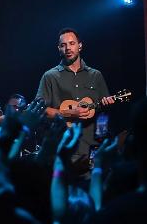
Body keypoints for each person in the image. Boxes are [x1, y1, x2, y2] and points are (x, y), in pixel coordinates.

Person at [36, 27, 114, 169]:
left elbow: (104, 115)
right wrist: (71, 113)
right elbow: (41, 110)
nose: (67, 48)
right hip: (61, 149)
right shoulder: (50, 76)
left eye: (72, 43)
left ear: (80, 45)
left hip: (90, 148)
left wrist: (101, 138)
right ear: (58, 48)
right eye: (63, 45)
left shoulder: (95, 75)